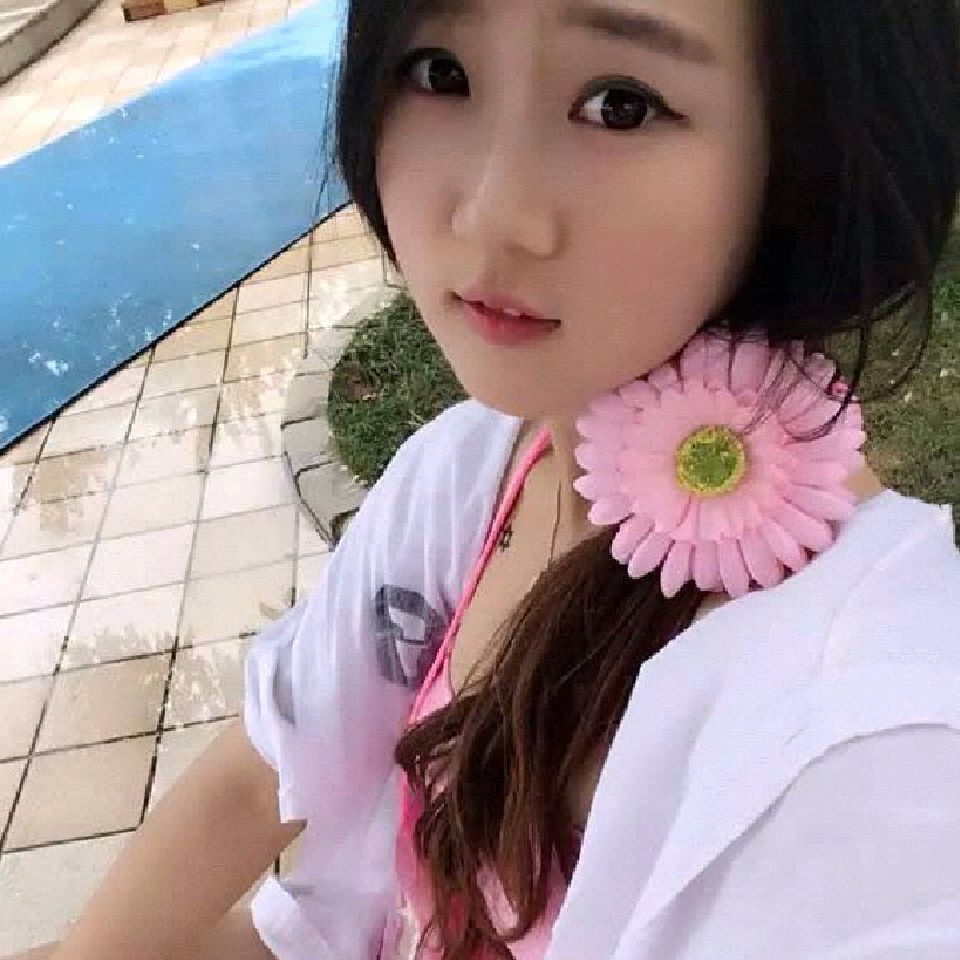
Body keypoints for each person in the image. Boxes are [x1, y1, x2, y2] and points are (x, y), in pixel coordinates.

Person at [11, 0, 960, 958]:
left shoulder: (868, 742)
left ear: (812, 147)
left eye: (621, 104)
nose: (490, 212)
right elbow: (263, 775)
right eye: (440, 74)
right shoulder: (470, 469)